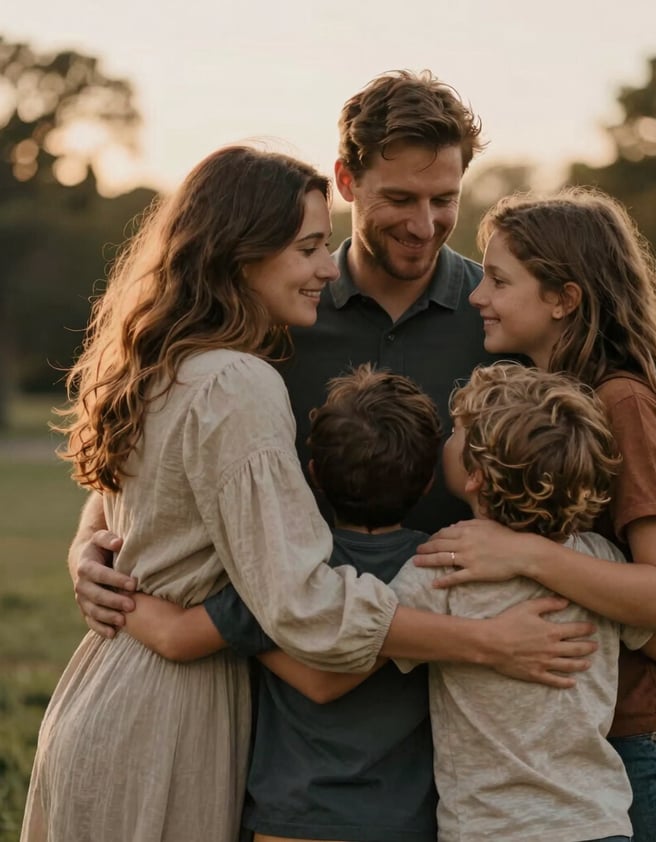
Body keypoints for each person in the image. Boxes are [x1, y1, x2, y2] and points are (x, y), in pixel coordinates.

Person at [21, 146, 584, 842]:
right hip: (169, 720)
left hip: (107, 691)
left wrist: (97, 562)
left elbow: (134, 512)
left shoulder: (165, 363)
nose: (327, 265)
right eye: (309, 247)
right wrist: (484, 641)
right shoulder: (237, 383)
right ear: (241, 253)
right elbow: (305, 608)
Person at [69, 69, 610, 685]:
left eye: (445, 198)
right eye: (401, 199)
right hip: (294, 680)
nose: (425, 224)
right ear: (347, 182)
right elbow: (163, 453)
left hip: (468, 678)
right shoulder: (273, 308)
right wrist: (89, 544)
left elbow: (580, 460)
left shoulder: (504, 318)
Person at [414, 188, 656, 840]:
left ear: (563, 298)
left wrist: (523, 553)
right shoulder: (554, 395)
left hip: (651, 734)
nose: (477, 294)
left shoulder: (623, 401)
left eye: (499, 280)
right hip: (592, 727)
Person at [120, 363, 444, 842]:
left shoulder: (286, 572)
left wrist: (115, 589)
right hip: (403, 822)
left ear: (312, 474)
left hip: (290, 819)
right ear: (427, 483)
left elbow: (175, 637)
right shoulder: (441, 570)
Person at [390, 362, 656, 841]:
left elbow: (367, 639)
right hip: (597, 823)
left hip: (490, 828)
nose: (447, 439)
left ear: (475, 475)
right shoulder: (601, 562)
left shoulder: (444, 566)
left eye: (457, 432)